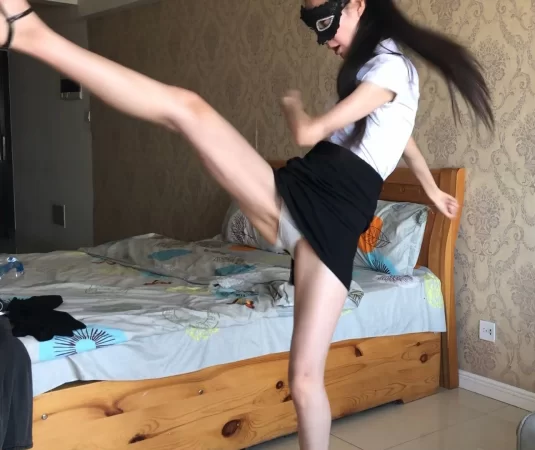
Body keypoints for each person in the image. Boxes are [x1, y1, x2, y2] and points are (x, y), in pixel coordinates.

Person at [0, 0, 494, 448]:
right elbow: (401, 133)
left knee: (305, 379)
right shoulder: (388, 68)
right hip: (314, 207)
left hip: (324, 215)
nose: (323, 39)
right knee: (185, 111)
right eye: (314, 27)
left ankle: (31, 33)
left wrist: (296, 110)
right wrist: (430, 189)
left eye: (325, 22)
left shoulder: (388, 67)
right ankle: (30, 34)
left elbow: (311, 131)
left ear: (357, 5)